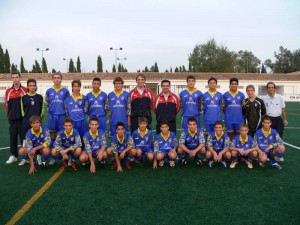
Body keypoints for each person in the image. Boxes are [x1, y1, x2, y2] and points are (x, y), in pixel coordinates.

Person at [19, 79, 44, 166]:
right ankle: (25, 158)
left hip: (37, 123)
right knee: (26, 141)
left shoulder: (40, 97)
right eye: (30, 85)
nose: (32, 87)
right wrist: (26, 119)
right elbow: (22, 111)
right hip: (27, 123)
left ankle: (39, 157)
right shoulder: (23, 97)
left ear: (36, 86)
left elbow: (42, 110)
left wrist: (39, 119)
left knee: (39, 140)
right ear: (27, 87)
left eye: (33, 85)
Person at [5, 72, 27, 164]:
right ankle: (14, 155)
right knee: (12, 137)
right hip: (12, 119)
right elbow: (6, 105)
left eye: (16, 77)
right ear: (12, 79)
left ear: (20, 78)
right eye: (13, 77)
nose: (15, 79)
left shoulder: (25, 90)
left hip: (22, 119)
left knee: (24, 138)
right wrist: (9, 116)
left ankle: (24, 157)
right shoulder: (8, 91)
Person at [45, 72, 70, 152]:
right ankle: (54, 154)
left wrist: (67, 115)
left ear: (61, 79)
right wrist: (51, 110)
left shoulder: (65, 91)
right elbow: (47, 102)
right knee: (52, 134)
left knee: (63, 134)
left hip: (62, 116)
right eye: (55, 78)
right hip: (52, 116)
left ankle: (65, 155)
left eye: (58, 78)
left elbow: (68, 103)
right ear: (52, 79)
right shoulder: (49, 91)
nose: (57, 79)